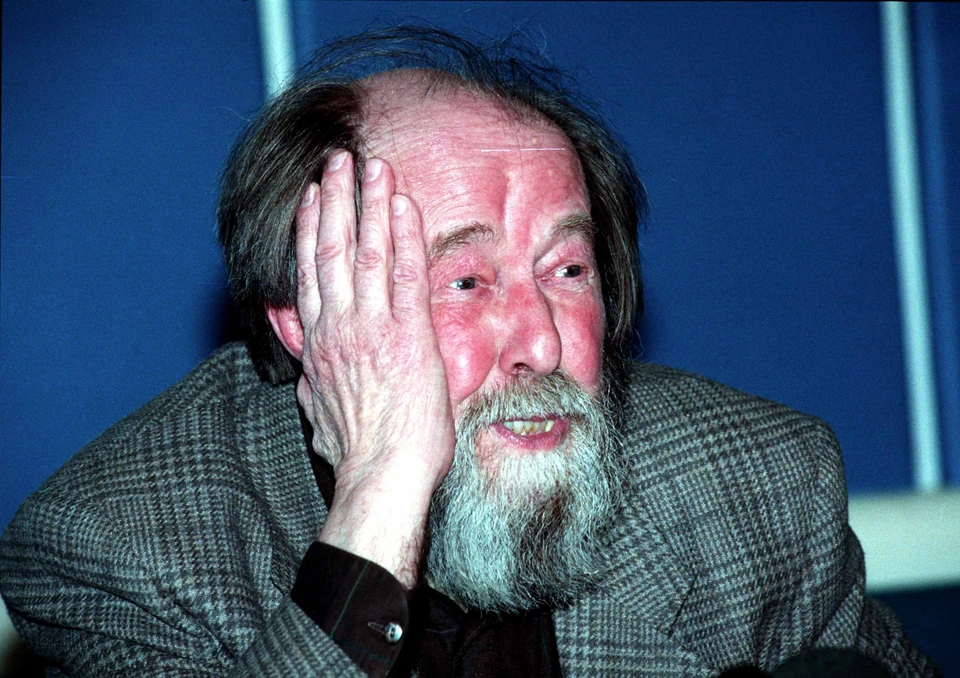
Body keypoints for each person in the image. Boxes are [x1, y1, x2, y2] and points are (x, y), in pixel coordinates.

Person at [0, 27, 939, 677]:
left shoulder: (762, 488)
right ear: (307, 319)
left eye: (567, 270)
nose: (542, 341)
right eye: (466, 281)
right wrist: (377, 501)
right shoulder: (119, 546)